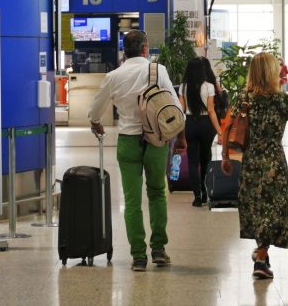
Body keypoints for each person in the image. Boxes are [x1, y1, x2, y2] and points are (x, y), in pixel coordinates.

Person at [87, 30, 185, 272]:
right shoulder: (157, 71)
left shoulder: (113, 76)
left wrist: (96, 123)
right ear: (145, 49)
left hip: (128, 140)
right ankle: (159, 249)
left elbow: (95, 111)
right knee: (157, 193)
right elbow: (175, 108)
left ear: (124, 51)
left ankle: (138, 257)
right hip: (155, 140)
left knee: (132, 201)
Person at [220, 52, 288, 280]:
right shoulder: (282, 100)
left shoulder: (244, 98)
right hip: (274, 162)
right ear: (272, 73)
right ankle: (261, 260)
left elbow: (226, 129)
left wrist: (225, 157)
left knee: (256, 208)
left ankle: (261, 251)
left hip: (251, 161)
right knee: (273, 209)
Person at [178, 58, 223, 207]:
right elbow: (211, 111)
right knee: (205, 159)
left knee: (192, 161)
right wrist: (219, 131)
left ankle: (196, 196)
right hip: (206, 125)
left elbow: (181, 110)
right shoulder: (209, 86)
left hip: (190, 123)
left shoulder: (183, 87)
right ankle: (205, 192)